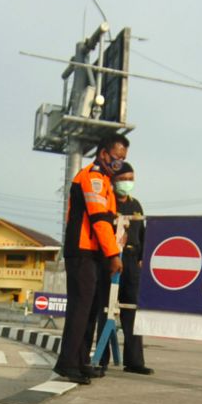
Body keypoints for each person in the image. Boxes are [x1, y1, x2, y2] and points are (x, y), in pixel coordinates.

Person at [53, 134, 126, 384]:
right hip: (82, 251)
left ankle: (82, 360)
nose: (119, 164)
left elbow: (111, 221)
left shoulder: (106, 181)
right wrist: (113, 255)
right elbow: (99, 221)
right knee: (80, 308)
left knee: (91, 309)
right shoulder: (92, 178)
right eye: (117, 158)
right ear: (104, 154)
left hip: (94, 253)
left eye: (123, 160)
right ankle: (67, 363)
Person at [87, 162, 153, 375]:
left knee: (132, 311)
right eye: (124, 179)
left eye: (131, 179)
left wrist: (143, 258)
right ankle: (102, 360)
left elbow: (142, 234)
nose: (128, 183)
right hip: (112, 261)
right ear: (114, 181)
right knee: (106, 310)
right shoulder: (108, 202)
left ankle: (134, 361)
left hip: (133, 262)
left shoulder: (136, 205)